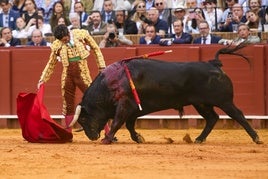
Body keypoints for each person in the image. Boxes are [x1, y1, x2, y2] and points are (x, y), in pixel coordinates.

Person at [37, 24, 106, 132]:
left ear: (68, 33)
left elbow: (96, 49)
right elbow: (51, 63)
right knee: (68, 105)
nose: (65, 41)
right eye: (63, 41)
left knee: (95, 101)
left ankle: (108, 132)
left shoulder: (81, 34)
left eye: (66, 39)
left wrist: (101, 66)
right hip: (67, 76)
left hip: (82, 74)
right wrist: (42, 79)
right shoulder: (57, 45)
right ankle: (68, 134)